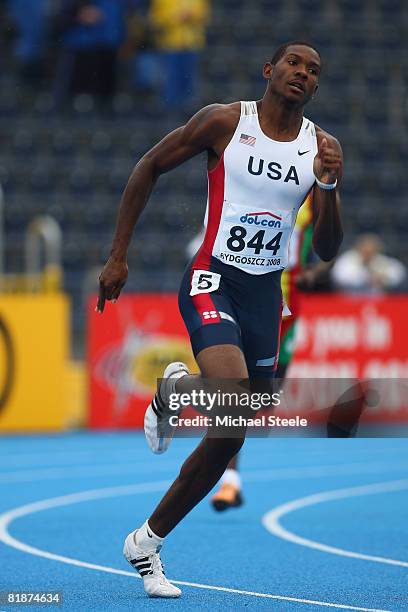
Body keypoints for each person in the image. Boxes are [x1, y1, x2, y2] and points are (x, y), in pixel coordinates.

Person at [97, 41, 343, 598]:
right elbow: (148, 166)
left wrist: (328, 185)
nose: (303, 73)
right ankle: (177, 392)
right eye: (293, 64)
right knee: (231, 403)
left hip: (264, 296)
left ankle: (147, 541)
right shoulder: (225, 122)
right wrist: (118, 255)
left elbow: (326, 248)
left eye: (314, 70)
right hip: (213, 275)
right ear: (269, 70)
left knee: (232, 430)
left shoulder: (321, 148)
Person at [210, 193, 334, 511]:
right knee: (234, 390)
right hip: (242, 297)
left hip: (286, 309)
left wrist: (315, 273)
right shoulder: (250, 183)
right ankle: (230, 480)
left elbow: (331, 243)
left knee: (262, 399)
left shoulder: (314, 190)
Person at [331, 233, 406, 294]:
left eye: (372, 250)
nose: (368, 253)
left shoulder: (381, 260)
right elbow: (339, 277)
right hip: (351, 301)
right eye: (366, 249)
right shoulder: (347, 259)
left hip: (378, 303)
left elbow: (399, 272)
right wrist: (366, 279)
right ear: (359, 247)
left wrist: (384, 279)